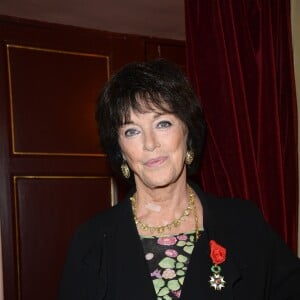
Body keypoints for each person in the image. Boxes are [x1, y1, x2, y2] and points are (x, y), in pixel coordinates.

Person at [58, 59, 300, 300]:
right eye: (132, 131)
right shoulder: (91, 242)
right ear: (120, 150)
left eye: (163, 123)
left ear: (188, 134)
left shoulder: (244, 223)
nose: (150, 144)